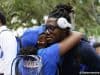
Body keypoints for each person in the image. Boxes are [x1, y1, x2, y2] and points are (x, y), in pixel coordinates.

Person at [43, 3, 100, 74]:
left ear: (64, 28)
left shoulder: (84, 49)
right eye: (46, 28)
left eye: (51, 28)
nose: (47, 32)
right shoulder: (48, 46)